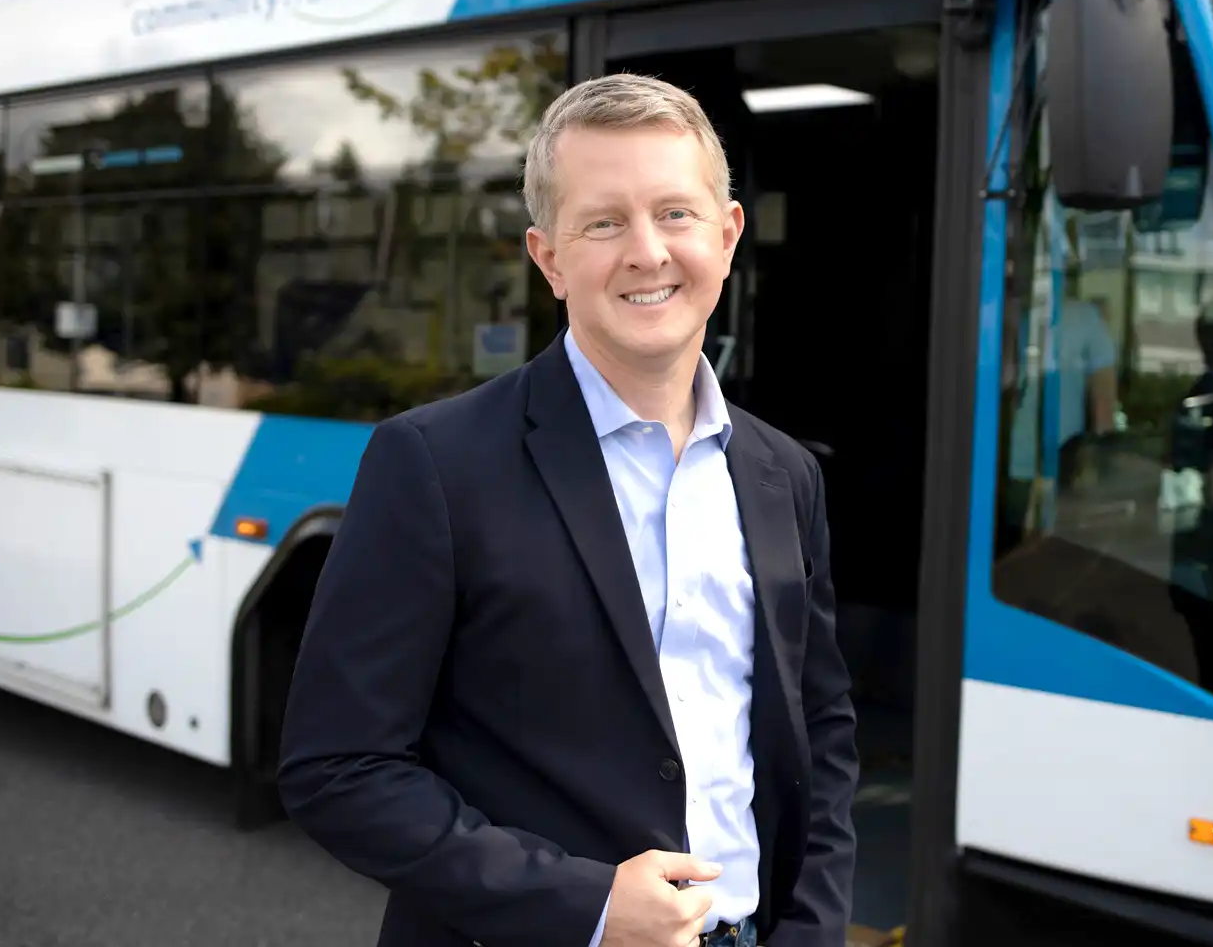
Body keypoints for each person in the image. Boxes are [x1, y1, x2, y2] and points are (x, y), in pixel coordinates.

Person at [277, 72, 859, 947]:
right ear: (548, 257)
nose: (647, 251)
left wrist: (811, 932)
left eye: (675, 213)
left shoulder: (782, 473)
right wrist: (582, 906)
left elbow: (819, 734)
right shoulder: (434, 464)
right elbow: (338, 767)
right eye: (602, 222)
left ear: (727, 235)